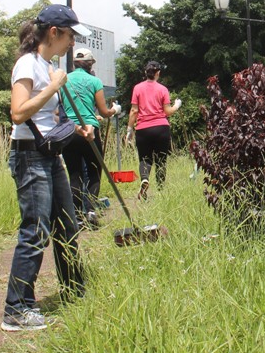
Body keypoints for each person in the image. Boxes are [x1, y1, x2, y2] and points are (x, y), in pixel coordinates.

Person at [2, 4, 92, 331]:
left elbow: (49, 117)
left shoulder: (47, 64)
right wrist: (54, 86)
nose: (71, 43)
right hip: (28, 156)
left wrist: (75, 127)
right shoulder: (28, 64)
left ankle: (74, 289)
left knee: (67, 225)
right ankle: (16, 309)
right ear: (54, 33)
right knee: (35, 231)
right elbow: (18, 112)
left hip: (48, 155)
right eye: (69, 36)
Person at [61, 47, 122, 228]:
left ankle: (77, 216)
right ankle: (90, 210)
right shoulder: (95, 81)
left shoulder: (64, 80)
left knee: (74, 173)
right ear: (90, 64)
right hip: (90, 130)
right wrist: (114, 110)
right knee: (95, 171)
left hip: (69, 131)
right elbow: (103, 111)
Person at [127, 61, 181, 200]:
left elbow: (134, 111)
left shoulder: (137, 88)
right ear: (158, 73)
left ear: (145, 73)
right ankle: (161, 190)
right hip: (161, 128)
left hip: (143, 129)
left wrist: (129, 129)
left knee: (145, 159)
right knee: (161, 160)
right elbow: (167, 111)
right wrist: (176, 105)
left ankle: (145, 179)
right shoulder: (162, 89)